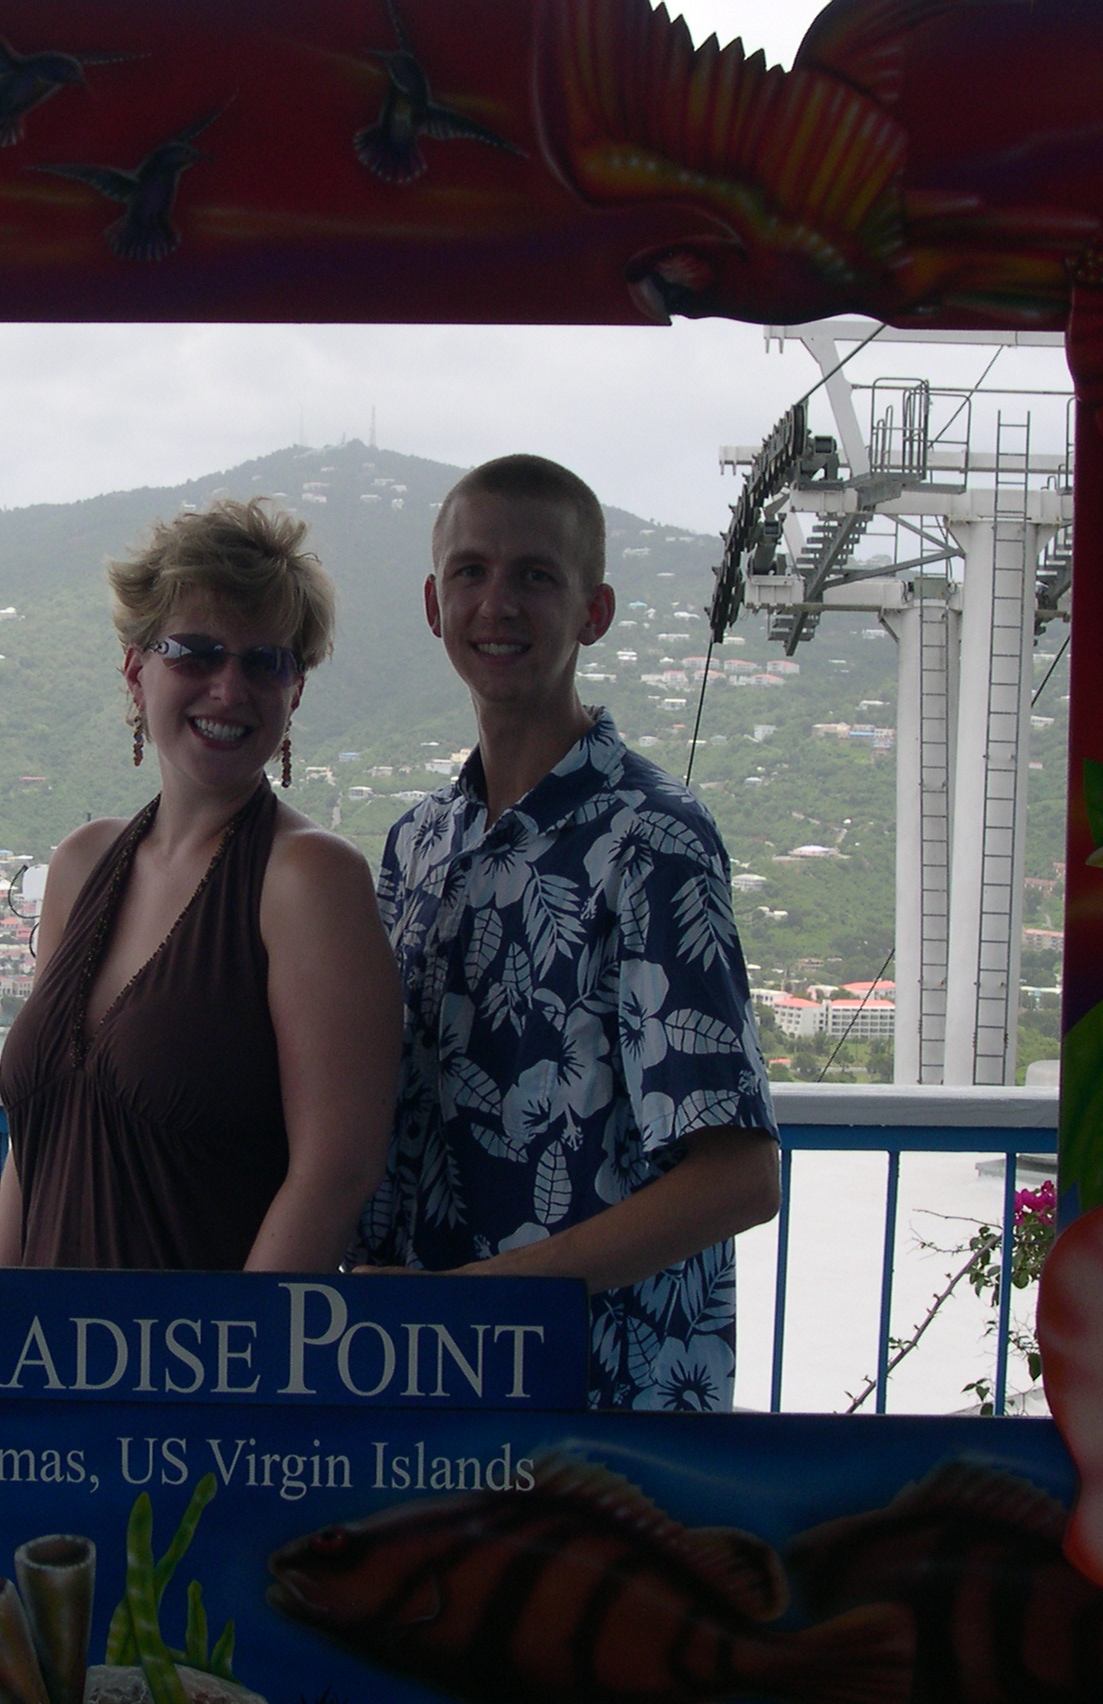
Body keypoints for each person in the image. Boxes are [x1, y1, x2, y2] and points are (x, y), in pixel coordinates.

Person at [355, 454, 781, 1411]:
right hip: (423, 1395)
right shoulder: (418, 843)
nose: (496, 603)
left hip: (601, 1406)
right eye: (471, 572)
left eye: (535, 576)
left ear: (595, 612)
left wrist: (470, 1307)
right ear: (433, 604)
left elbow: (739, 1178)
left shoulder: (653, 837)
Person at [0, 498, 400, 1271]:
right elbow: (32, 1153)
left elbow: (335, 1174)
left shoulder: (309, 882)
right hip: (41, 1372)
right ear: (136, 670)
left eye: (264, 661)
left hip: (194, 1376)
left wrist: (226, 1378)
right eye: (197, 653)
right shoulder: (81, 864)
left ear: (296, 691)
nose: (228, 687)